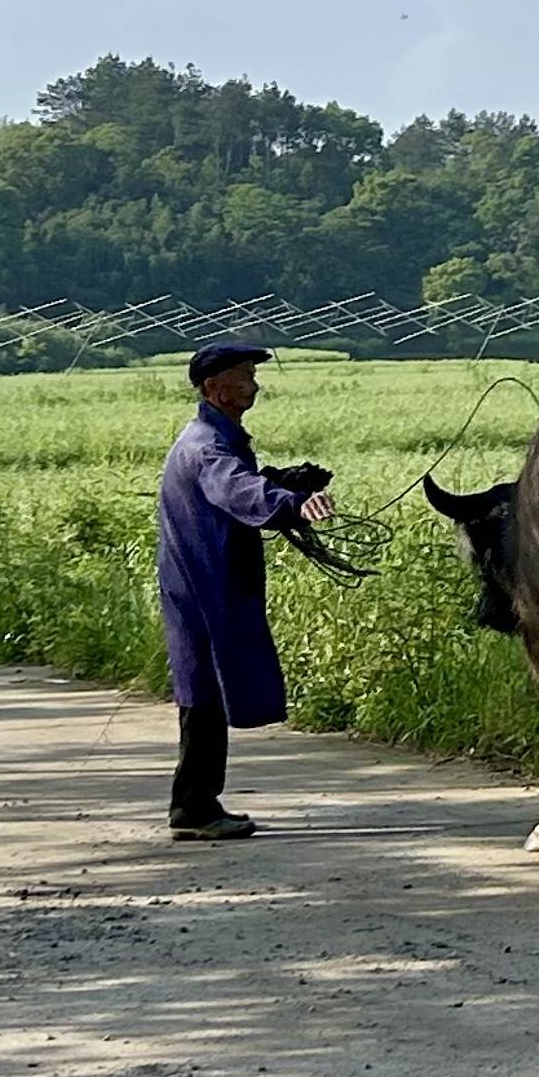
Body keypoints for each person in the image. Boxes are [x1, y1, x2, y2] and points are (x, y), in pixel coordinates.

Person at [156, 341, 337, 841]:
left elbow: (242, 483)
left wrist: (282, 482)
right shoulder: (205, 445)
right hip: (201, 585)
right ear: (215, 388)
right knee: (202, 694)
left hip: (206, 580)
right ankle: (193, 807)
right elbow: (234, 489)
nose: (254, 383)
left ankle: (195, 803)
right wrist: (290, 504)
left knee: (205, 690)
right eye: (243, 374)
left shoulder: (219, 436)